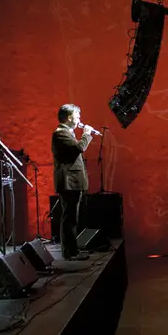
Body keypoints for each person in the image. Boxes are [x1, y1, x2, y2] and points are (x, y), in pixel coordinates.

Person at [52, 104, 93, 261]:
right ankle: (71, 252)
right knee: (69, 219)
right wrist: (87, 134)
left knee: (72, 218)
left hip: (73, 182)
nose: (79, 119)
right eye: (77, 116)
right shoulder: (60, 134)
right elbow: (79, 148)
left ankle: (72, 251)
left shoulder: (67, 133)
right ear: (69, 117)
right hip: (68, 182)